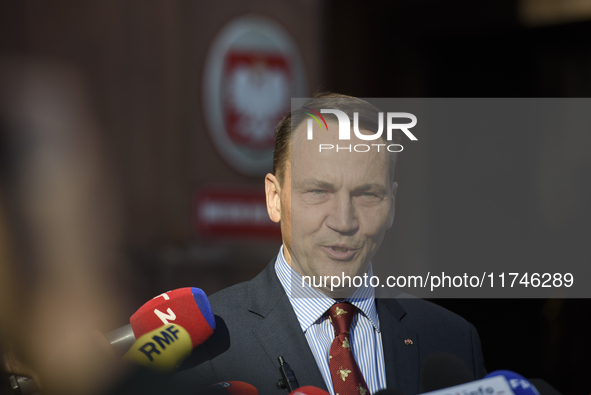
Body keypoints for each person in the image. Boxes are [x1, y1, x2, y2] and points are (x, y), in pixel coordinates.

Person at [174, 93, 486, 394]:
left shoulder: (452, 340)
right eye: (318, 192)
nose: (344, 221)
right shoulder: (207, 346)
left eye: (367, 194)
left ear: (392, 203)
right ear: (274, 198)